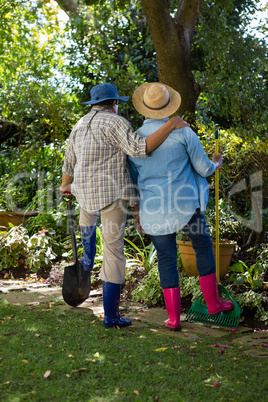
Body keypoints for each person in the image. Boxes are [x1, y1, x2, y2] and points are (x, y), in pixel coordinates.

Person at [60, 82, 189, 329]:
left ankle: (87, 260)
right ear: (114, 103)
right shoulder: (116, 123)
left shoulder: (79, 125)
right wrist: (172, 124)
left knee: (87, 225)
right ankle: (110, 315)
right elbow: (141, 148)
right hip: (111, 194)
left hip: (84, 193)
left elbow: (68, 164)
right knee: (113, 251)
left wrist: (66, 185)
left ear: (93, 104)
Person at [128, 82, 234, 331]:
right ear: (168, 107)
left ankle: (174, 318)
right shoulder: (184, 132)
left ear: (144, 109)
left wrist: (136, 214)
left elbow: (133, 183)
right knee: (202, 246)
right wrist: (216, 162)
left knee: (166, 258)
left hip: (152, 210)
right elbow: (204, 168)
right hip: (186, 206)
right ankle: (213, 303)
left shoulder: (134, 141)